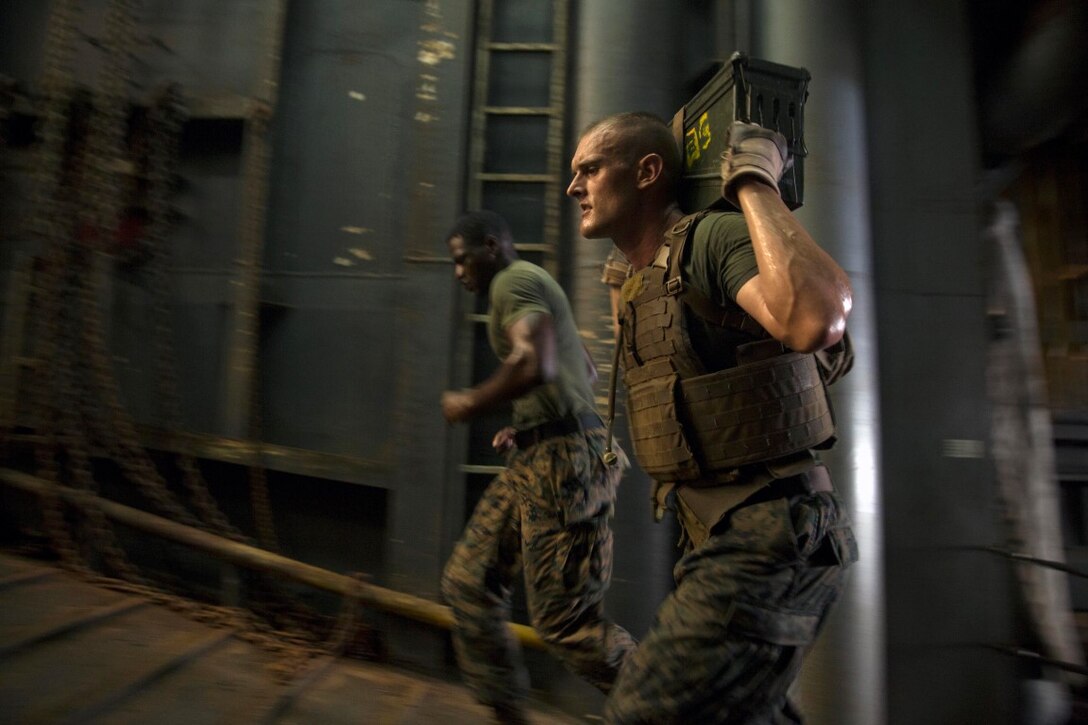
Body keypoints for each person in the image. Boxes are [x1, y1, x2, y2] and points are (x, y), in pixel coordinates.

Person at [567, 111, 859, 723]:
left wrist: (753, 181)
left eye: (590, 170)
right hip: (719, 533)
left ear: (647, 172)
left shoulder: (712, 239)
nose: (575, 188)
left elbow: (817, 319)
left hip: (773, 532)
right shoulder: (638, 279)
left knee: (642, 713)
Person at [439, 210, 636, 724]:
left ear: (490, 245)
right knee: (467, 581)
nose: (458, 272)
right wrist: (528, 424)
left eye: (462, 261)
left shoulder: (513, 280)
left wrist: (470, 403)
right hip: (542, 455)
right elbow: (583, 368)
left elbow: (535, 363)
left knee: (566, 622)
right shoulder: (529, 284)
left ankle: (682, 707)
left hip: (564, 463)